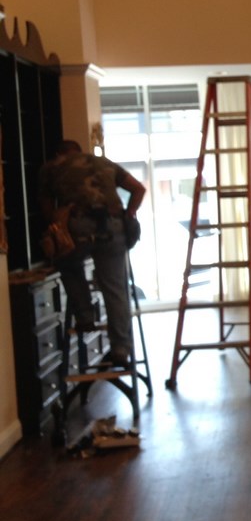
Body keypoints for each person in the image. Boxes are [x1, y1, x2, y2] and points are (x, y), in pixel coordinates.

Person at [39, 140, 147, 368]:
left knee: (67, 263)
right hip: (114, 224)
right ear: (80, 151)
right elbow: (139, 188)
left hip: (79, 226)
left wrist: (57, 228)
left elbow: (47, 209)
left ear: (59, 153)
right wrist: (129, 213)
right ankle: (121, 348)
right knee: (115, 288)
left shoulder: (52, 167)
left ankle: (85, 317)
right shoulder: (102, 162)